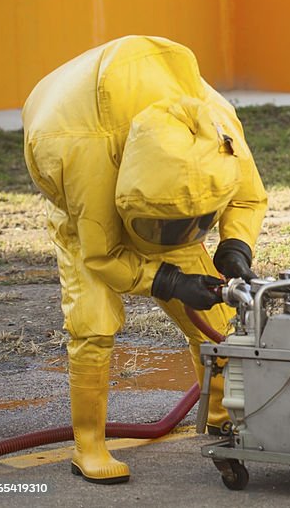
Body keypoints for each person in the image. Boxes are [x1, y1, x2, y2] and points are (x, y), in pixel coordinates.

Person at [22, 36, 267, 484]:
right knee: (93, 324)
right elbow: (103, 255)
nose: (179, 240)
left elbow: (247, 196)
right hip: (84, 206)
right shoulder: (84, 154)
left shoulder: (217, 126)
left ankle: (221, 419)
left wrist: (235, 245)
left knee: (213, 315)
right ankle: (89, 446)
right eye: (170, 227)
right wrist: (168, 281)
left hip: (161, 197)